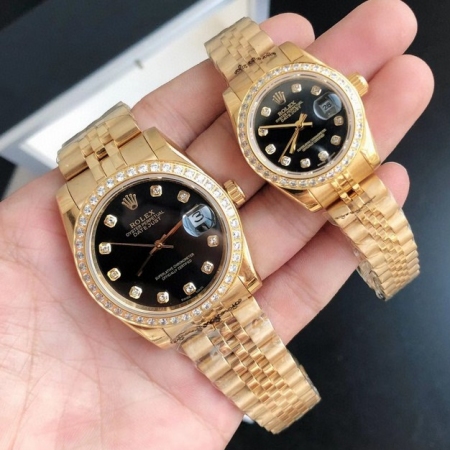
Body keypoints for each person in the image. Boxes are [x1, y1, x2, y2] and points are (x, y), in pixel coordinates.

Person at [0, 1, 433, 448]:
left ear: (226, 195)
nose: (158, 243)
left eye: (158, 239)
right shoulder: (90, 222)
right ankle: (284, 405)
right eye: (154, 244)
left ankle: (286, 406)